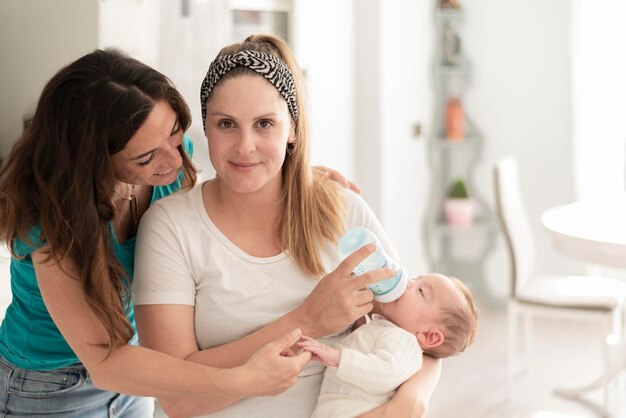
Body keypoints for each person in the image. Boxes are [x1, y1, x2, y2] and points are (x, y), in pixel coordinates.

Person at [0, 48, 335, 417]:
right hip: (49, 386)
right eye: (146, 158)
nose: (175, 160)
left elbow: (222, 190)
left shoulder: (165, 169)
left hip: (139, 372)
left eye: (175, 134)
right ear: (93, 163)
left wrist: (298, 177)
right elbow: (107, 364)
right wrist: (244, 381)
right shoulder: (49, 221)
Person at [132, 33, 442, 418]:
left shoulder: (341, 212)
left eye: (264, 124)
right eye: (226, 124)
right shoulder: (171, 227)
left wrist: (412, 401)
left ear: (292, 129)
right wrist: (306, 320)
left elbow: (423, 336)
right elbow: (175, 398)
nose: (245, 146)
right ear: (206, 129)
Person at [298, 273, 478, 418]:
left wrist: (337, 357)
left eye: (421, 291)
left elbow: (385, 371)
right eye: (415, 278)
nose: (407, 282)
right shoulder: (387, 330)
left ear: (429, 336)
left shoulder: (404, 341)